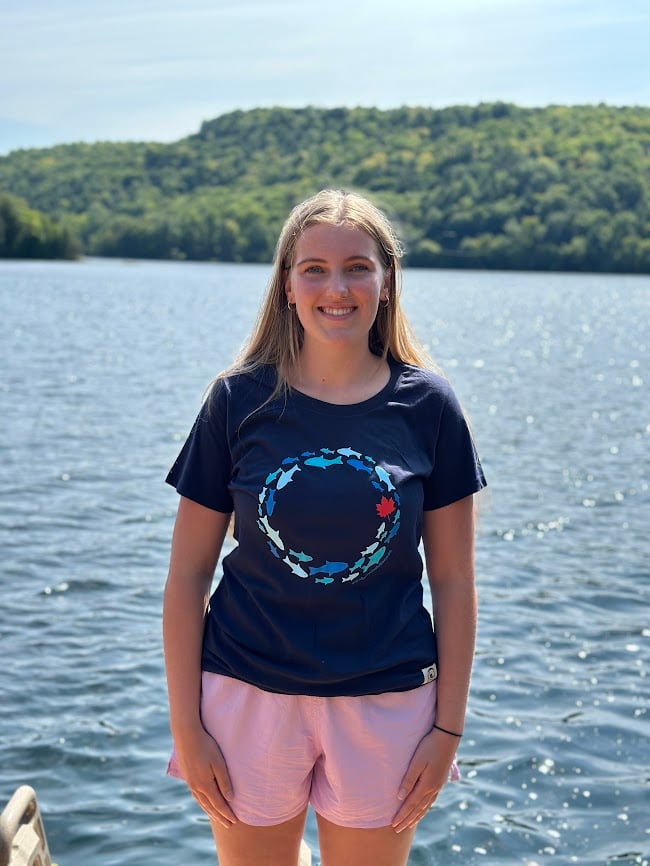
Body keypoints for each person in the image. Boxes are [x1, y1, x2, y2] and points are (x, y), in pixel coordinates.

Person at [162, 188, 486, 866]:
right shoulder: (237, 401)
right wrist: (187, 729)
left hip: (387, 701)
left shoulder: (429, 406)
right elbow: (187, 575)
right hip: (246, 695)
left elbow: (454, 583)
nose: (335, 287)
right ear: (286, 285)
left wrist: (447, 730)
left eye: (357, 267)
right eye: (313, 268)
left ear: (387, 280)